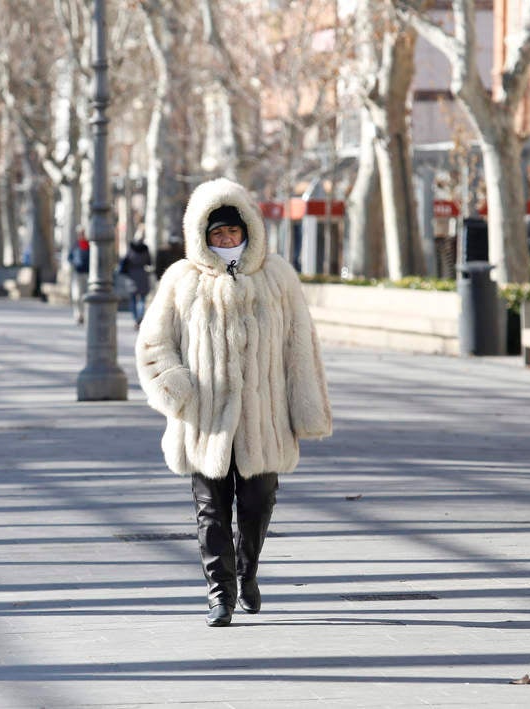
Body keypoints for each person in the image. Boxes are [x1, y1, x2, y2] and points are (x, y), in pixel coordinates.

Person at [135, 177, 332, 627]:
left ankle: (248, 571)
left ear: (248, 231)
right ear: (202, 237)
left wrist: (306, 409)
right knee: (212, 509)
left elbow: (302, 346)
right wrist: (177, 390)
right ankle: (218, 593)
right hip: (205, 419)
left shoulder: (278, 277)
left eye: (232, 231)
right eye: (217, 233)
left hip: (265, 418)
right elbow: (152, 344)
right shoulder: (182, 281)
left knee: (259, 501)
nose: (226, 239)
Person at [119, 238, 152, 328]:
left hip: (132, 276)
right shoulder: (145, 249)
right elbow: (149, 262)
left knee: (133, 299)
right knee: (142, 299)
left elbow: (125, 261)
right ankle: (140, 316)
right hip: (142, 275)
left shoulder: (131, 249)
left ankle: (135, 318)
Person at [68, 226, 90, 325]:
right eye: (79, 233)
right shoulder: (75, 245)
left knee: (85, 296)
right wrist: (75, 262)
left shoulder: (88, 245)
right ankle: (78, 315)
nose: (81, 234)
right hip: (77, 273)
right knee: (77, 296)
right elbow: (70, 257)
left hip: (87, 274)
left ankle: (84, 315)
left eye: (82, 232)